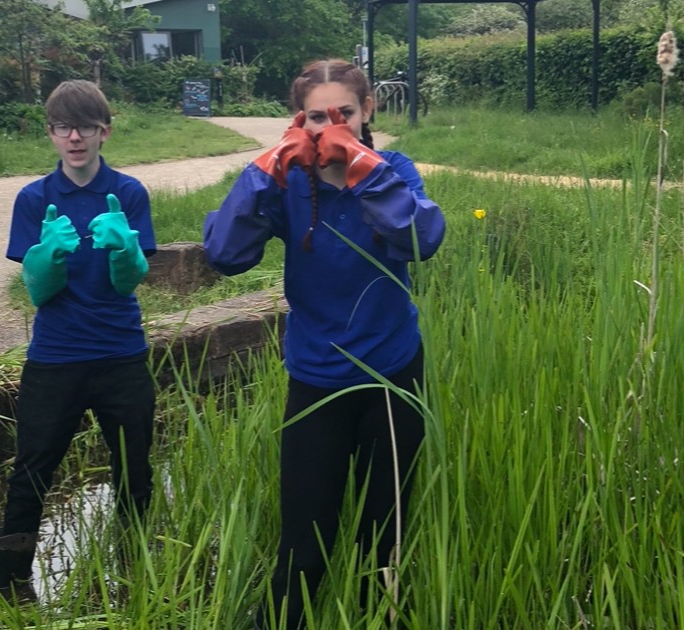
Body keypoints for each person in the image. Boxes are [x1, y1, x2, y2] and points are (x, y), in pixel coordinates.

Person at [203, 59, 445, 629]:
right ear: (298, 121)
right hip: (316, 378)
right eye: (317, 117)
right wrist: (265, 168)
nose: (330, 128)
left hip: (392, 374)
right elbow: (225, 255)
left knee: (384, 536)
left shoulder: (394, 170)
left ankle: (377, 618)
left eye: (344, 115)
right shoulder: (289, 180)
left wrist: (363, 167)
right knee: (304, 541)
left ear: (368, 113)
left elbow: (423, 238)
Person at [0, 79, 157, 601]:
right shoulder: (34, 198)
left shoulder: (127, 193)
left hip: (121, 355)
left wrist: (126, 252)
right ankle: (14, 588)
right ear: (52, 134)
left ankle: (134, 568)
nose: (75, 137)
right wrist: (46, 257)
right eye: (65, 127)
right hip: (55, 359)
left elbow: (130, 281)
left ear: (104, 131)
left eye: (86, 126)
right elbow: (38, 293)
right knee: (31, 470)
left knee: (134, 467)